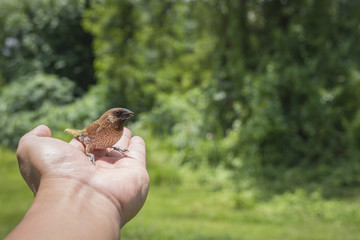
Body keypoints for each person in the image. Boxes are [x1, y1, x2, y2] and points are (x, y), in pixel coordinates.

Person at [5, 125, 150, 240]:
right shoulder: (99, 127)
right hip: (86, 141)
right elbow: (87, 136)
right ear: (110, 118)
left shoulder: (118, 129)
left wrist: (115, 147)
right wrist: (88, 155)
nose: (124, 116)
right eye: (119, 114)